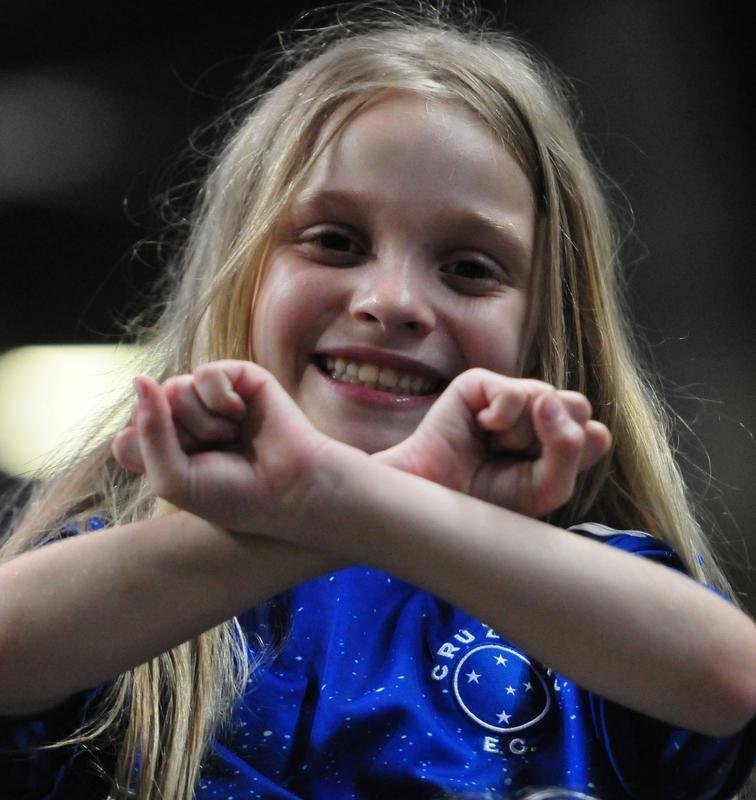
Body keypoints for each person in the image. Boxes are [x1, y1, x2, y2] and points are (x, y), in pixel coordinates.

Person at [0, 3, 754, 798]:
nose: (392, 300)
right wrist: (327, 505)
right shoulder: (114, 580)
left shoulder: (590, 591)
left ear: (550, 331)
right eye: (334, 241)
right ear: (240, 281)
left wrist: (343, 500)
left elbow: (730, 678)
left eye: (468, 268)